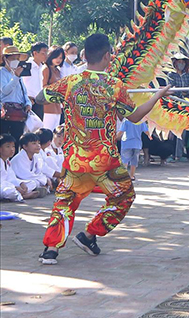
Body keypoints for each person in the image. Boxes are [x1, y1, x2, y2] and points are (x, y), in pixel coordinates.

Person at [35, 33, 170, 265]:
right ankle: (89, 235)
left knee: (65, 202)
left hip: (75, 160)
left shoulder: (70, 82)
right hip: (104, 162)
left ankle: (50, 250)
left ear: (84, 55)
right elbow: (136, 116)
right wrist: (158, 95)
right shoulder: (114, 86)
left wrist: (68, 99)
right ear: (108, 56)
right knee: (124, 196)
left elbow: (39, 97)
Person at [1, 45, 31, 149]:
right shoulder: (2, 73)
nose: (15, 61)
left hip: (19, 114)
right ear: (5, 59)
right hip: (6, 114)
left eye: (17, 58)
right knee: (5, 142)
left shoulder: (19, 74)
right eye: (13, 58)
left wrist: (28, 103)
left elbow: (24, 92)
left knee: (16, 142)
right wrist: (16, 77)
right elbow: (5, 90)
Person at [1, 133, 40, 201]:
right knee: (9, 191)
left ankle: (20, 194)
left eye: (13, 146)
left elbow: (11, 178)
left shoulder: (7, 161)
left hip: (8, 185)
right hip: (4, 186)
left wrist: (21, 184)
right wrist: (15, 187)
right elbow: (2, 181)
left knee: (32, 183)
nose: (12, 149)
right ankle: (22, 195)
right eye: (8, 146)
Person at [22, 43, 49, 120]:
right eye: (43, 53)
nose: (46, 55)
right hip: (28, 102)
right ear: (35, 53)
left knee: (38, 127)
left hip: (39, 102)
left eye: (47, 53)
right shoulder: (26, 66)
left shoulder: (43, 67)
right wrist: (27, 98)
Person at [41, 47, 65, 130]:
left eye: (61, 58)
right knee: (47, 132)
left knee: (55, 133)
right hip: (48, 107)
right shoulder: (46, 69)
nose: (58, 60)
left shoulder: (57, 70)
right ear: (51, 56)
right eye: (56, 57)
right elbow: (43, 86)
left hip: (57, 107)